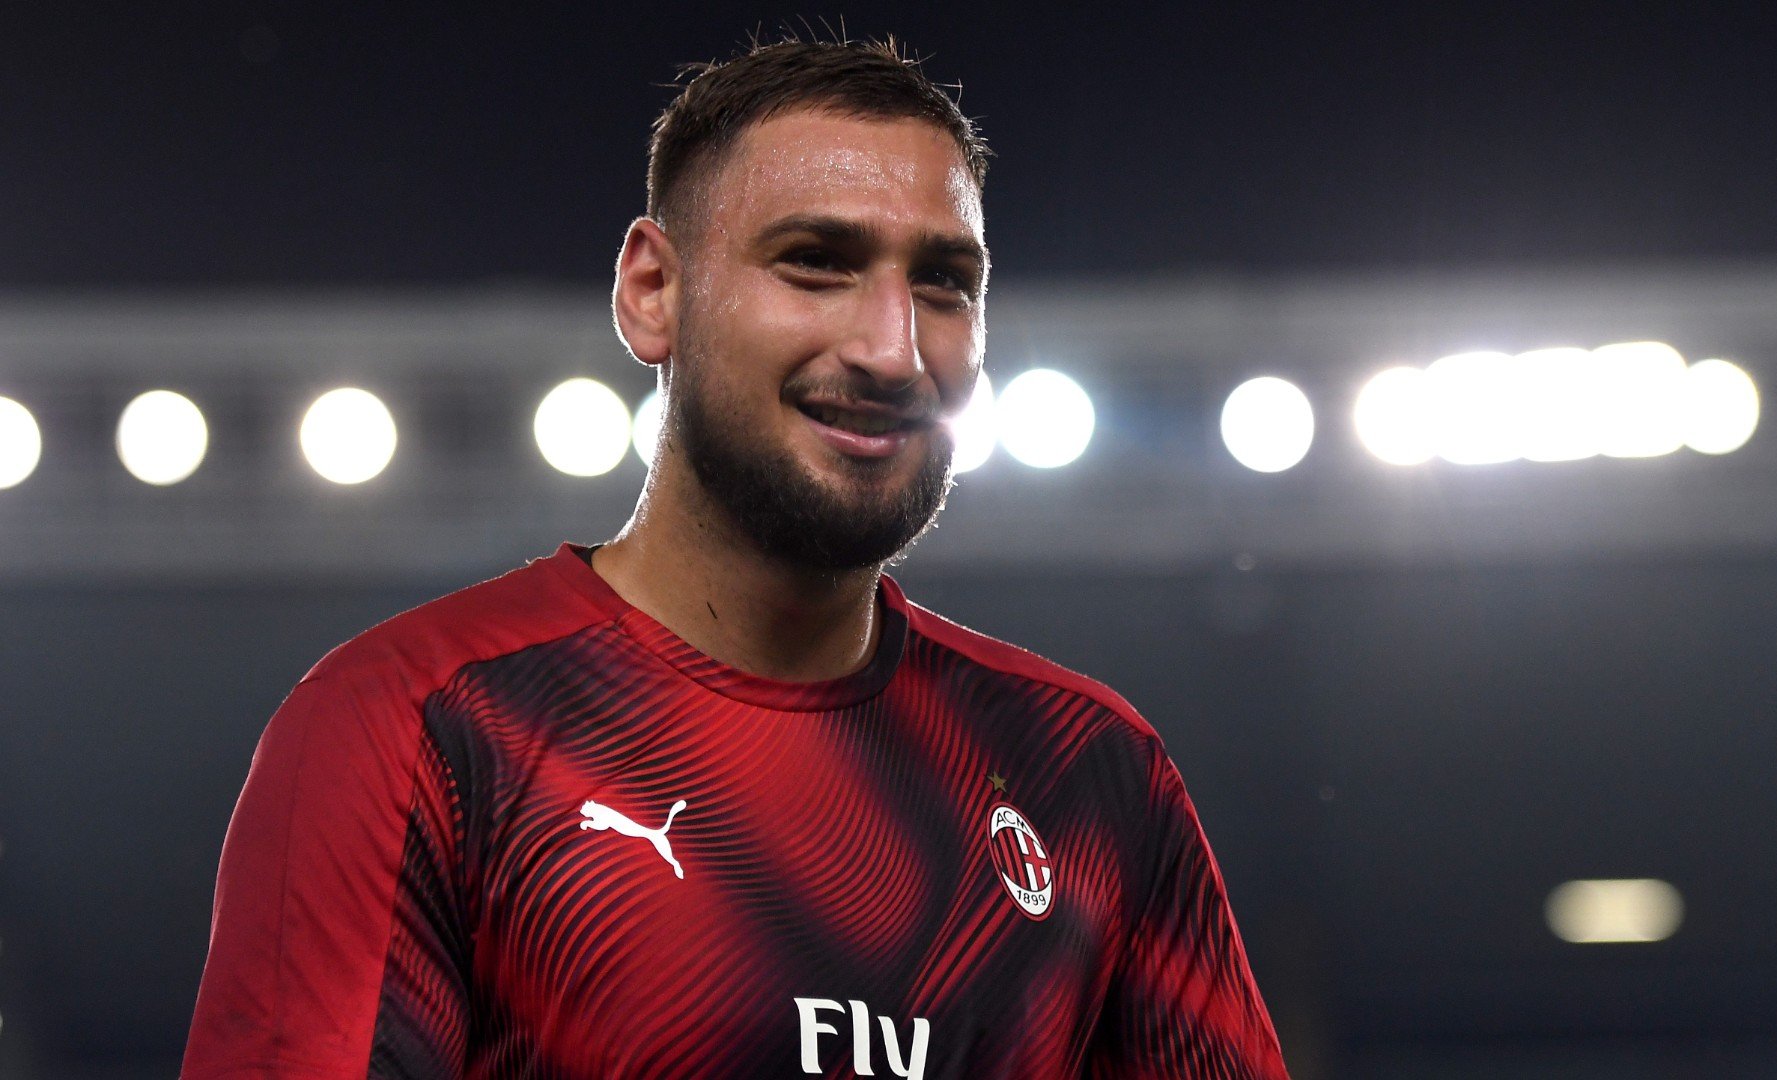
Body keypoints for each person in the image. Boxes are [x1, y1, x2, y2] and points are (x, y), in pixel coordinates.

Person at [182, 37, 1289, 1080]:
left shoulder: (1093, 770)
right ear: (652, 293)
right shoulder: (416, 723)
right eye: (816, 263)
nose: (894, 349)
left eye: (944, 283)